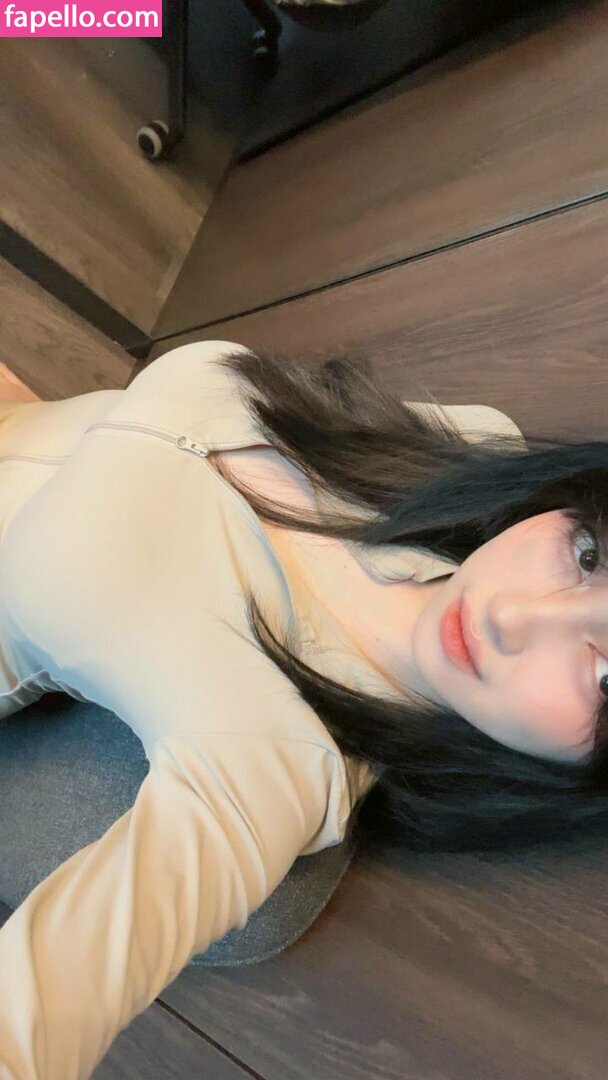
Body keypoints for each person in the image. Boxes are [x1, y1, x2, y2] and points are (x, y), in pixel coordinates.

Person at [0, 339, 607, 1077]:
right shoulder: (462, 448)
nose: (510, 617)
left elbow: (42, 1008)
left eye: (605, 675)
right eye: (588, 555)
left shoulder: (271, 769)